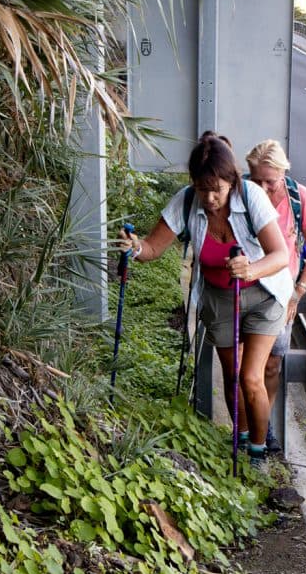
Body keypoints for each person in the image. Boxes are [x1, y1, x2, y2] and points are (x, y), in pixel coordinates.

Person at [121, 131, 291, 465]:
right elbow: (152, 248)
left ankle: (258, 454)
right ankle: (241, 438)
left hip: (264, 294)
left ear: (232, 181)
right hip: (219, 299)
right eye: (203, 189)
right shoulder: (186, 201)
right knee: (232, 376)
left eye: (218, 189)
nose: (210, 198)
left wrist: (251, 269)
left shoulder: (252, 196)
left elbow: (281, 255)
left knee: (251, 377)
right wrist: (135, 247)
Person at [245, 139, 306, 453]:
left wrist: (300, 291)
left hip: (282, 295)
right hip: (244, 287)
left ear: (283, 174)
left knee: (271, 365)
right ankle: (245, 430)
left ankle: (263, 425)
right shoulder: (241, 193)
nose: (262, 188)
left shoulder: (300, 198)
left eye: (270, 182)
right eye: (256, 180)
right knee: (244, 368)